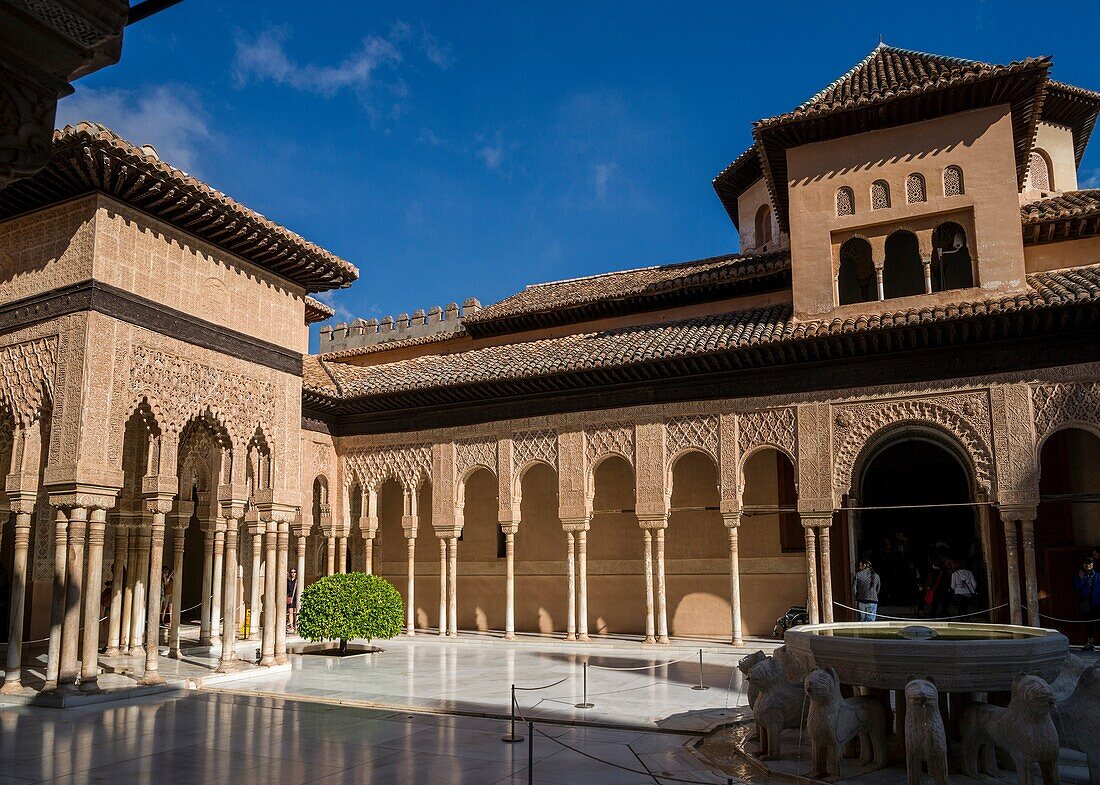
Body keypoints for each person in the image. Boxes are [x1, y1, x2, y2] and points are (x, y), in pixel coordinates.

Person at [1073, 555, 1100, 651]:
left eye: (1090, 563)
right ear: (1083, 565)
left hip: (1098, 602)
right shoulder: (1080, 576)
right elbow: (1077, 589)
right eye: (1086, 563)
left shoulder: (1098, 575)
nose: (1088, 565)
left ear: (1093, 564)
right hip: (1086, 603)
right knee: (1089, 623)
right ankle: (1090, 642)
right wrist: (1081, 579)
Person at [286, 568, 299, 632]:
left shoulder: (297, 581)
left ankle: (295, 625)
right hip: (290, 597)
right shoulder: (289, 581)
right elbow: (289, 589)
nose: (293, 573)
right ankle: (291, 625)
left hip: (296, 597)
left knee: (295, 611)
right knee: (290, 612)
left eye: (294, 572)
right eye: (292, 572)